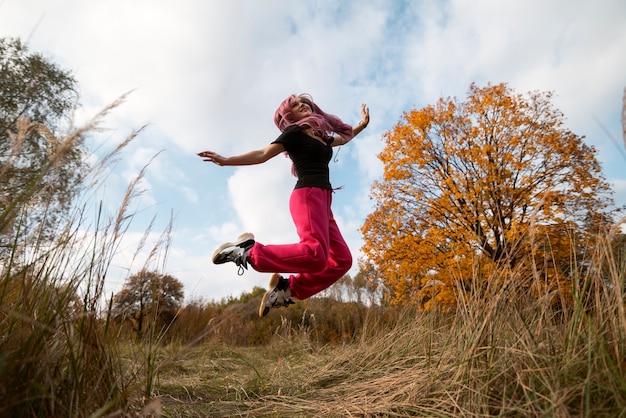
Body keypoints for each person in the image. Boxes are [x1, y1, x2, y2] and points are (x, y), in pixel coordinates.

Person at [198, 93, 369, 317]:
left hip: (323, 200)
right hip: (307, 195)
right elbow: (262, 154)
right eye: (296, 106)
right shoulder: (294, 133)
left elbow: (344, 139)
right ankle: (248, 252)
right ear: (290, 115)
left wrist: (362, 125)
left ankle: (287, 288)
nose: (303, 105)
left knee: (342, 260)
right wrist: (226, 160)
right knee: (315, 254)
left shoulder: (321, 136)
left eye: (303, 102)